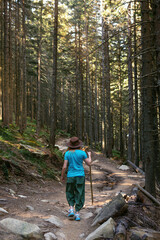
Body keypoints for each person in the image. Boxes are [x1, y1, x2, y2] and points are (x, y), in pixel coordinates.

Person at [60, 136, 91, 221]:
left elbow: (64, 167)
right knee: (79, 193)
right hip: (80, 176)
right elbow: (89, 164)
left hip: (70, 175)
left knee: (69, 191)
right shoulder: (82, 153)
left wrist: (62, 176)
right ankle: (77, 213)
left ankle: (71, 209)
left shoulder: (67, 153)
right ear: (79, 145)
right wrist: (89, 156)